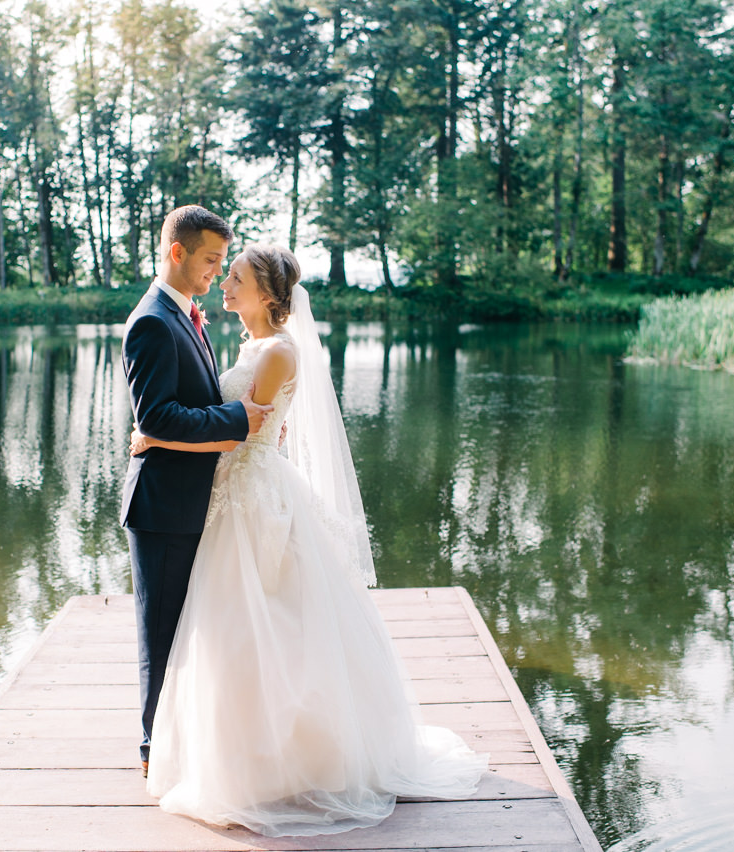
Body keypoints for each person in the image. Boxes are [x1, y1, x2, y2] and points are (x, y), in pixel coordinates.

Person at [130, 245, 489, 837]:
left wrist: (156, 439)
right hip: (231, 494)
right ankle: (238, 748)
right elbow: (232, 418)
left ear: (267, 295)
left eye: (236, 278)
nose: (225, 284)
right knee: (233, 628)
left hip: (254, 496)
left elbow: (243, 435)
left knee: (266, 622)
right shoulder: (250, 346)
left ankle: (286, 759)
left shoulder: (277, 352)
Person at [120, 205, 273, 779]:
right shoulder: (153, 321)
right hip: (162, 506)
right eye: (210, 260)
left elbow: (179, 408)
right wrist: (238, 420)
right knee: (160, 634)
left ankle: (181, 741)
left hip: (192, 499)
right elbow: (158, 416)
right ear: (177, 253)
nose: (216, 271)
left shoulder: (184, 313)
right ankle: (152, 752)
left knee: (188, 630)